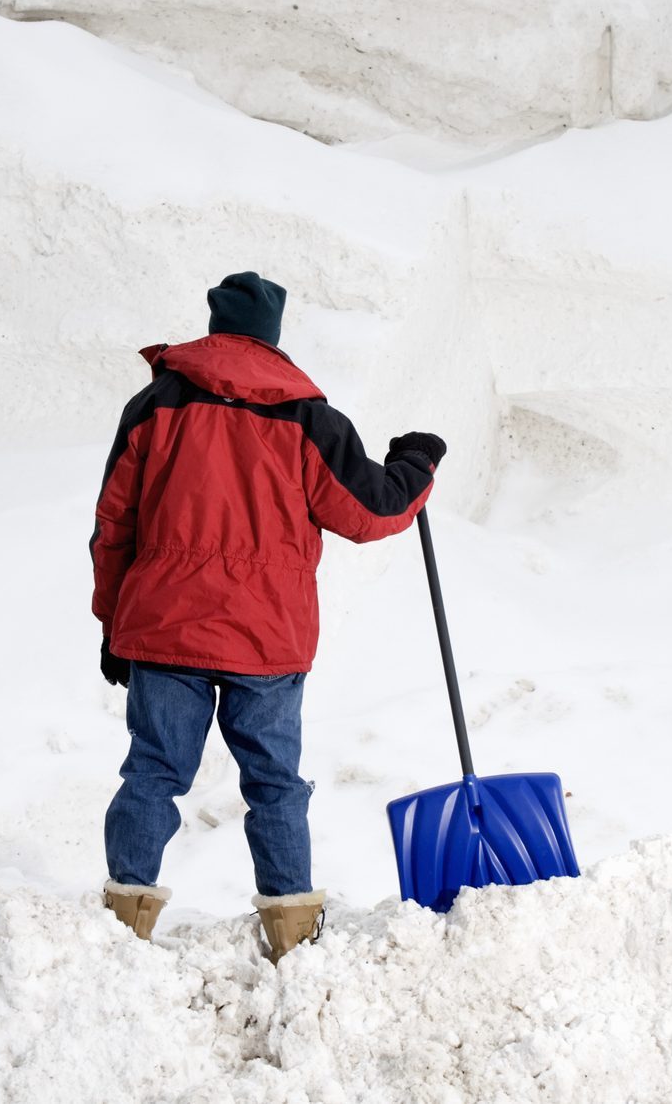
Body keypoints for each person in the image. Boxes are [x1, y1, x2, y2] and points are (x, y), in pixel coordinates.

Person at [90, 271, 446, 961]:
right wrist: (416, 464)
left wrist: (112, 623)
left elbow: (113, 524)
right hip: (268, 638)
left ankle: (121, 930)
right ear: (272, 335)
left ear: (215, 323)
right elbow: (372, 512)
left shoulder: (157, 403)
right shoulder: (308, 418)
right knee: (276, 783)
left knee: (152, 775)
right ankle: (291, 936)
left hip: (164, 628)